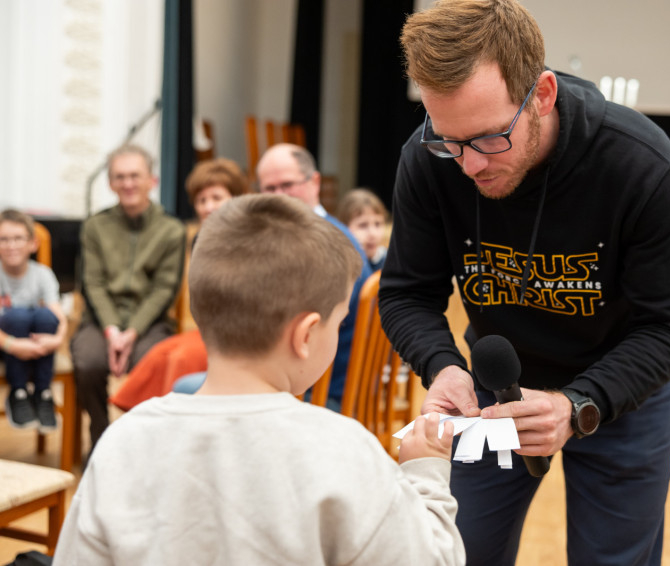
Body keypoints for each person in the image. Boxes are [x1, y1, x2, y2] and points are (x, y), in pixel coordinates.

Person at [378, 1, 670, 565]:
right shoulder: (428, 159)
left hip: (618, 391)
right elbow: (408, 292)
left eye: (488, 138)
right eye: (448, 141)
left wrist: (579, 404)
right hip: (492, 393)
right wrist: (443, 366)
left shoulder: (641, 164)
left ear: (544, 95)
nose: (469, 166)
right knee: (460, 552)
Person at [53, 194, 465, 566]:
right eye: (338, 323)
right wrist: (426, 473)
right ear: (305, 335)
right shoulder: (343, 449)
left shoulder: (122, 442)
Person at [109, 157, 250, 411]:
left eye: (216, 198)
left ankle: (173, 427)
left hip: (243, 336)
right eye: (201, 200)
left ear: (236, 199)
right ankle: (149, 425)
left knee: (180, 359)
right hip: (211, 331)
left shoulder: (250, 239)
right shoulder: (200, 240)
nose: (208, 207)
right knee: (158, 355)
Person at [71, 144, 185, 453]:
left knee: (156, 363)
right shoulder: (95, 226)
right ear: (111, 183)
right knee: (88, 361)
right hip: (100, 321)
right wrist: (112, 332)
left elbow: (164, 289)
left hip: (150, 323)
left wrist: (131, 332)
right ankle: (100, 439)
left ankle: (141, 447)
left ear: (152, 180)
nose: (128, 183)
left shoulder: (171, 230)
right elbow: (92, 283)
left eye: (135, 175)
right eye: (120, 177)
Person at [256, 143, 372, 410]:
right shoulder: (296, 237)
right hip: (301, 382)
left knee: (189, 389)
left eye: (288, 184)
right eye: (269, 188)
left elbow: (296, 333)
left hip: (321, 394)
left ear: (315, 182)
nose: (280, 196)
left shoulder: (329, 243)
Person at [0, 209, 68, 432]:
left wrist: (57, 340)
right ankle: (18, 391)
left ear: (33, 243)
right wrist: (13, 345)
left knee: (45, 317)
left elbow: (59, 316)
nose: (11, 245)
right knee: (17, 316)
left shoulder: (43, 274)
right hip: (5, 344)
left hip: (36, 344)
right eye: (4, 239)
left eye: (18, 238)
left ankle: (43, 392)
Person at [337, 188, 390, 271]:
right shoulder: (338, 264)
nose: (373, 233)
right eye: (363, 225)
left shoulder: (390, 261)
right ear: (343, 227)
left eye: (377, 224)